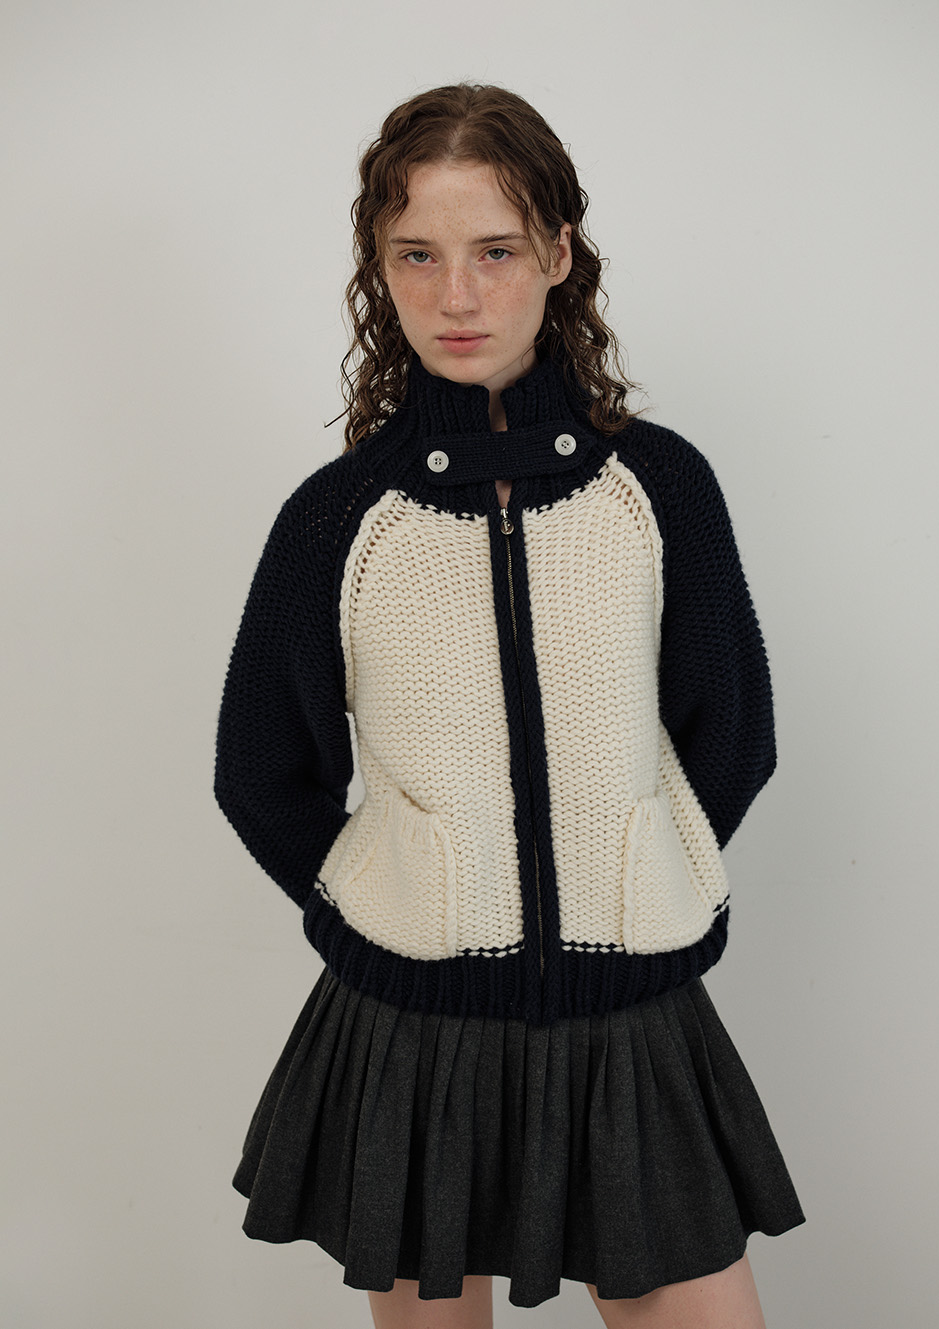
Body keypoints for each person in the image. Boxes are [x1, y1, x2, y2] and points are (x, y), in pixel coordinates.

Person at [214, 82, 805, 1328]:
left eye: (494, 251)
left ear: (558, 254)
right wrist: (391, 895)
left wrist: (628, 871)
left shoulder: (659, 487)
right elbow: (261, 769)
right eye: (416, 255)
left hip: (626, 1020)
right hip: (409, 1026)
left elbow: (733, 735)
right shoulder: (337, 519)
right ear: (379, 268)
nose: (457, 296)